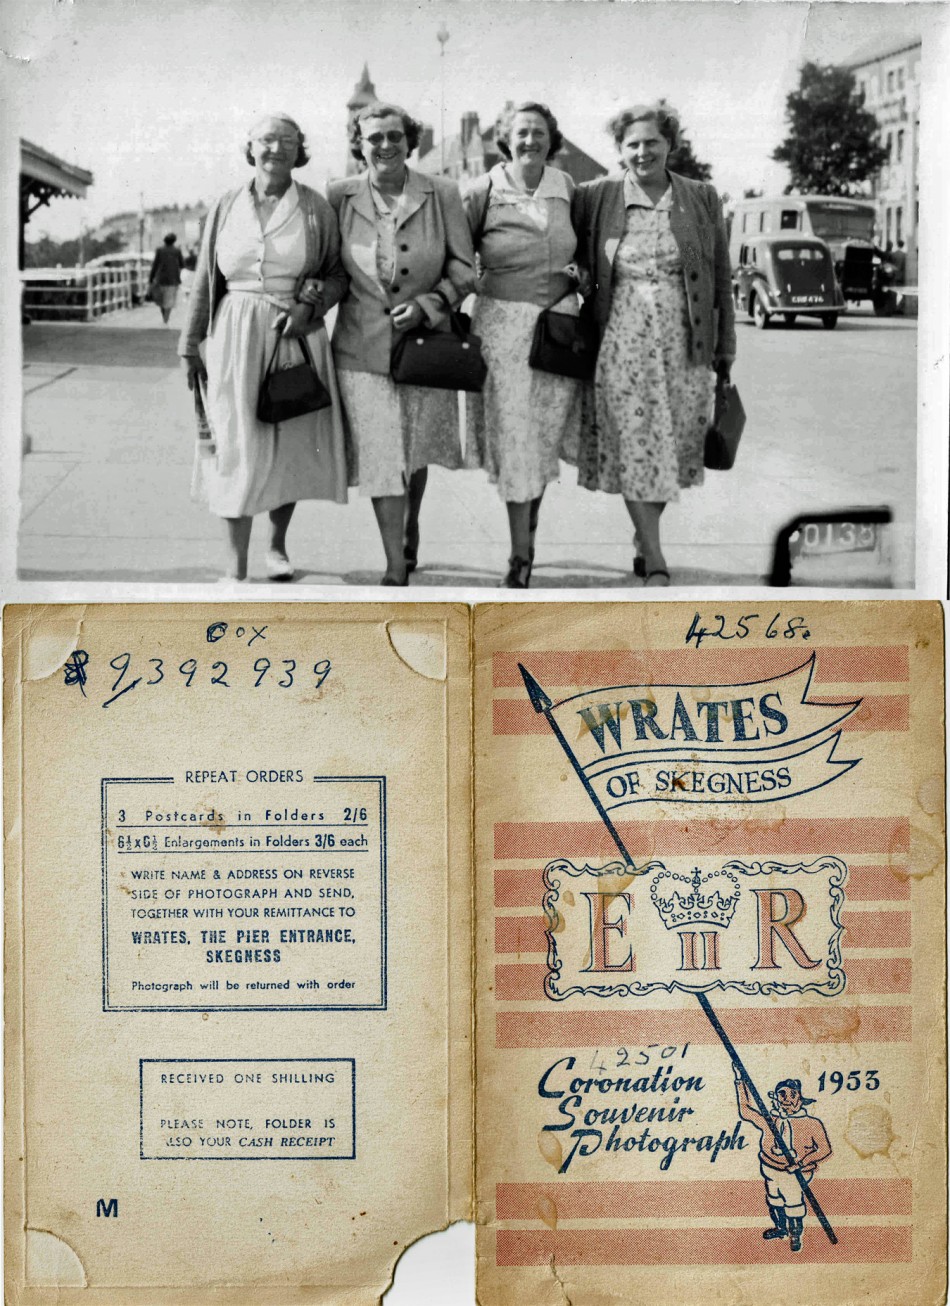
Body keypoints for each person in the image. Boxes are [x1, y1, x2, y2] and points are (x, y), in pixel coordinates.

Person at [305, 101, 475, 585]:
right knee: (382, 454)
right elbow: (328, 267)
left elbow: (465, 269)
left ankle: (408, 526)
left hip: (426, 346)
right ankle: (395, 564)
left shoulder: (442, 193)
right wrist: (312, 291)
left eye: (395, 136)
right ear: (358, 144)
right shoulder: (338, 196)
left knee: (414, 450)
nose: (385, 145)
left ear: (410, 141)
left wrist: (430, 304)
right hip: (360, 348)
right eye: (374, 137)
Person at [179, 114, 350, 582]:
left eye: (287, 141)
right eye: (267, 140)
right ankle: (234, 566)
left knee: (285, 444)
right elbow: (205, 278)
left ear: (300, 150)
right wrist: (190, 343)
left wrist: (310, 307)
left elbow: (337, 275)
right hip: (233, 335)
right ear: (250, 147)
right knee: (233, 443)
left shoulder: (315, 208)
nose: (276, 149)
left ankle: (276, 547)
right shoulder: (226, 204)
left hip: (292, 335)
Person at [573, 104, 736, 585]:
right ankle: (656, 557)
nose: (642, 152)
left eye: (652, 142)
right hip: (622, 342)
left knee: (675, 445)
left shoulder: (699, 197)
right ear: (619, 149)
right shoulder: (598, 196)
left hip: (687, 343)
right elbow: (571, 247)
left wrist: (725, 344)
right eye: (633, 144)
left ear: (670, 145)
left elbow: (718, 276)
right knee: (635, 444)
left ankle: (643, 537)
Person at [463, 102, 584, 588]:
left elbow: (589, 251)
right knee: (515, 441)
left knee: (541, 439)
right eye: (521, 132)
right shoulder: (483, 190)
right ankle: (520, 556)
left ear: (551, 139)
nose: (530, 140)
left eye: (538, 132)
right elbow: (457, 257)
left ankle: (526, 534)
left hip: (558, 329)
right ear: (506, 139)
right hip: (501, 331)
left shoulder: (566, 187)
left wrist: (578, 277)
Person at [734, 1067, 832, 1253]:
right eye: (782, 1095)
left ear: (800, 1099)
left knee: (793, 1203)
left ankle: (796, 1235)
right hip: (770, 1169)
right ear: (776, 1098)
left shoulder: (812, 1124)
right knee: (774, 1199)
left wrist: (801, 1163)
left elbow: (825, 1149)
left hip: (795, 1174)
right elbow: (746, 1111)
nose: (787, 1099)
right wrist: (740, 1081)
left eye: (792, 1095)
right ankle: (781, 1229)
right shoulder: (771, 1120)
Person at [149, 233, 184, 324]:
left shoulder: (159, 250)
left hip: (160, 279)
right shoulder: (177, 250)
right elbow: (182, 264)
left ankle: (164, 316)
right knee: (169, 300)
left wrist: (151, 278)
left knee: (161, 300)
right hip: (173, 280)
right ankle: (166, 318)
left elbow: (155, 265)